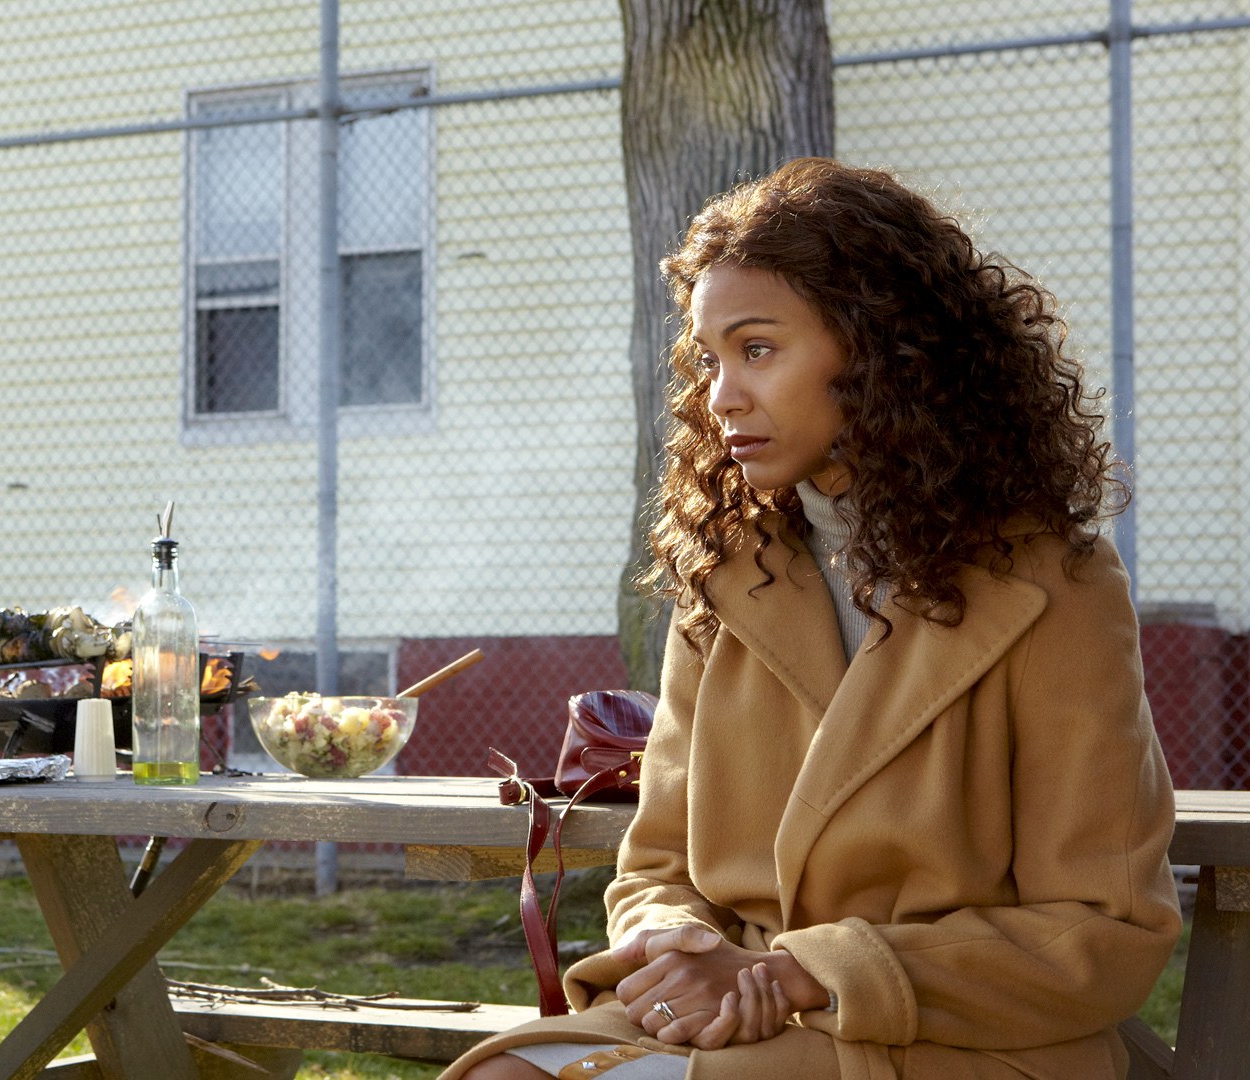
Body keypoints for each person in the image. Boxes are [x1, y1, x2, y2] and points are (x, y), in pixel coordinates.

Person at [442, 158, 1181, 1080]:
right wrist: (679, 946)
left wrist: (801, 974)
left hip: (948, 1038)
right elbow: (658, 864)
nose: (720, 397)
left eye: (758, 349)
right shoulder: (727, 572)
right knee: (502, 1075)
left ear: (883, 352)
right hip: (738, 1023)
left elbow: (1104, 932)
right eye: (709, 358)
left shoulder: (1051, 583)